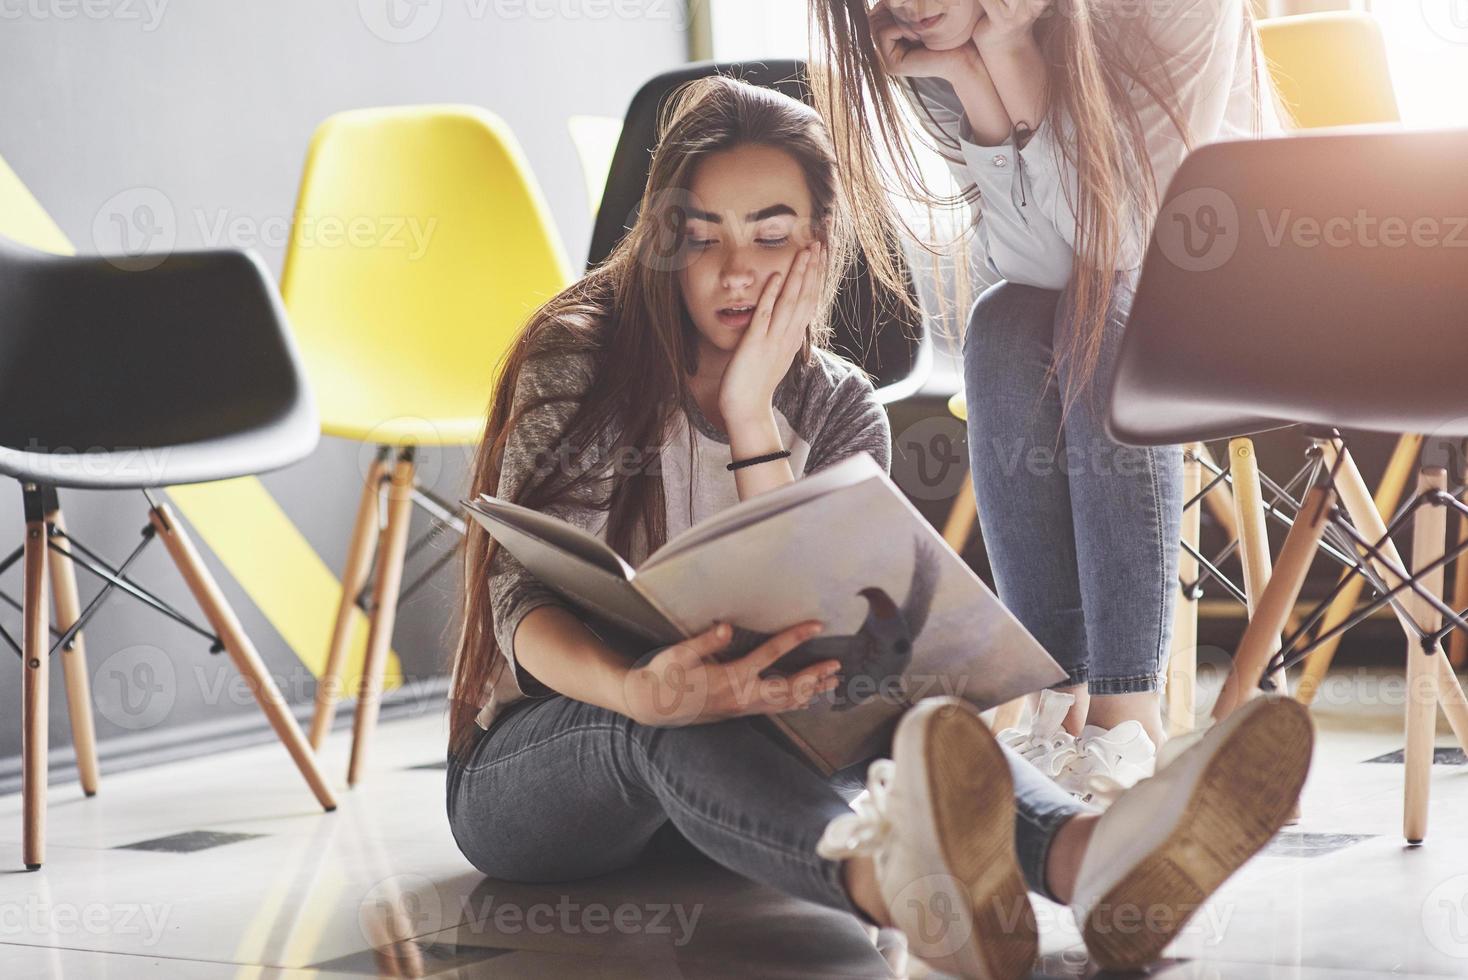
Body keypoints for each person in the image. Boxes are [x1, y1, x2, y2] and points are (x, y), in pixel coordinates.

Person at [444, 74, 1311, 980]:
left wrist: (751, 417)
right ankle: (900, 894)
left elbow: (825, 635)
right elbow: (522, 602)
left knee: (900, 695)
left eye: (772, 236)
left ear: (821, 244)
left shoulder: (838, 405)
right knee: (676, 711)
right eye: (702, 241)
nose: (737, 272)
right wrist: (639, 691)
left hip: (751, 772)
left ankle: (1092, 862)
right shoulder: (581, 352)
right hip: (552, 760)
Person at [807, 0, 1285, 787]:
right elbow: (1037, 267)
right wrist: (976, 71)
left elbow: (1125, 245)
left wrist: (1015, 56)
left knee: (1101, 316)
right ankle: (1054, 703)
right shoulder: (938, 42)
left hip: (1244, 297)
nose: (907, 6)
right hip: (1094, 298)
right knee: (1000, 325)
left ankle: (1125, 714)